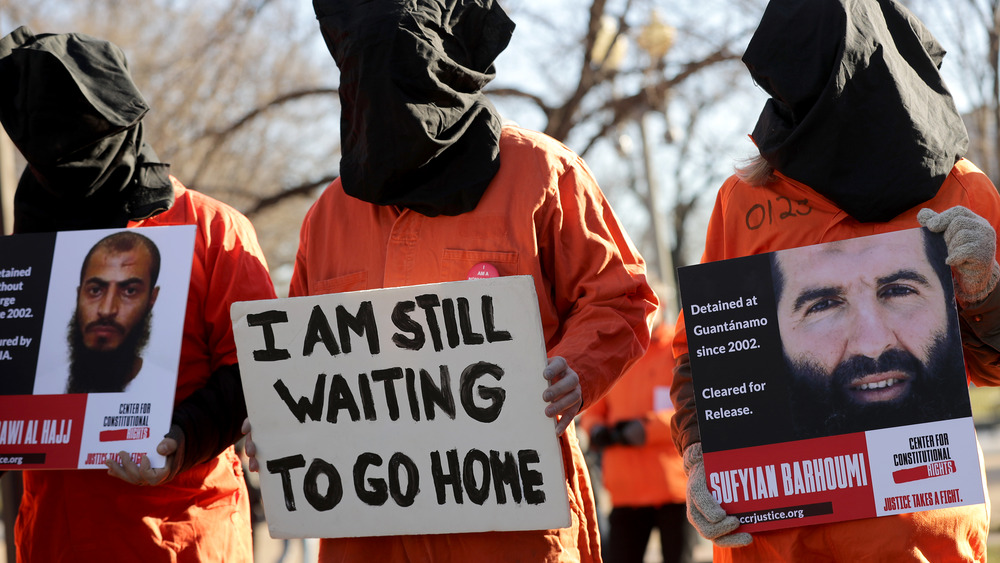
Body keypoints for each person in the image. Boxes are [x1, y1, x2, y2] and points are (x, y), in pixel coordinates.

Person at [242, 0, 658, 561]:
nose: (390, 107)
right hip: (368, 535)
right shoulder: (329, 216)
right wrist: (277, 421)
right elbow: (305, 365)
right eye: (371, 82)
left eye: (405, 81)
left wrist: (577, 370)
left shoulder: (540, 172)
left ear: (446, 73)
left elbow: (621, 294)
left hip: (512, 530)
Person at [670, 0, 1000, 561]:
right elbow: (703, 357)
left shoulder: (961, 194)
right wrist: (700, 453)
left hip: (921, 541)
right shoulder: (742, 201)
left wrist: (984, 289)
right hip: (776, 545)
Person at [0, 26, 277, 561]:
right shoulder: (27, 251)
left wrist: (178, 443)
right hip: (55, 540)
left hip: (184, 538)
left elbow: (257, 372)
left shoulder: (215, 232)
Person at [771, 228, 970, 438]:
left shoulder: (962, 198)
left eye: (899, 290)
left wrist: (987, 299)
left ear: (948, 304)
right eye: (824, 305)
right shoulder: (735, 210)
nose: (873, 345)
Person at [579, 302, 698, 563]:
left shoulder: (678, 350)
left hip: (675, 489)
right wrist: (596, 429)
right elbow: (593, 411)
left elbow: (695, 412)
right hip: (626, 491)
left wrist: (647, 429)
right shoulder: (613, 356)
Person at [67, 231, 162, 394]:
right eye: (95, 290)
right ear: (79, 294)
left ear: (151, 299)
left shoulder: (165, 389)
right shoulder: (41, 387)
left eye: (130, 291)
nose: (106, 310)